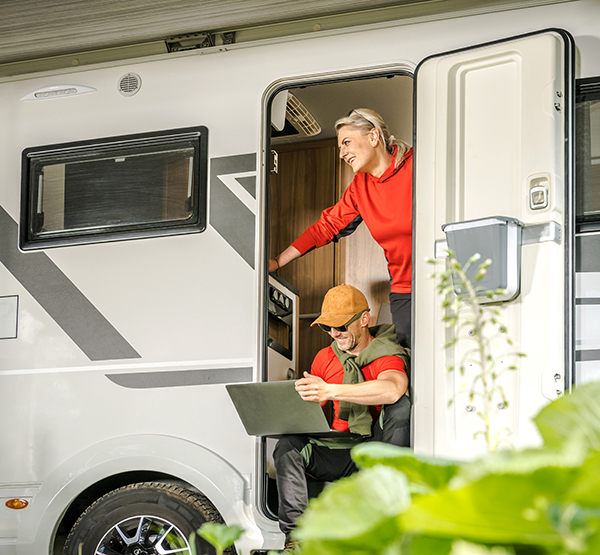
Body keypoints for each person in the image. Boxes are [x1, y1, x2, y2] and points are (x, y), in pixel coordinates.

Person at [272, 284, 410, 552]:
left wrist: (331, 389)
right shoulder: (325, 357)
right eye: (328, 328)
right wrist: (294, 403)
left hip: (376, 450)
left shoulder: (386, 353)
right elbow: (313, 408)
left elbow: (393, 389)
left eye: (341, 326)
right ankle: (297, 538)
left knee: (401, 407)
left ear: (364, 319)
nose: (335, 334)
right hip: (339, 448)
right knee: (288, 446)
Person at [269, 109, 413, 348]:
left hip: (443, 279)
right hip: (404, 289)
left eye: (346, 142)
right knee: (413, 364)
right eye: (339, 148)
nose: (342, 153)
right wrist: (278, 261)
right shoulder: (360, 188)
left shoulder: (416, 166)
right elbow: (324, 228)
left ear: (373, 137)